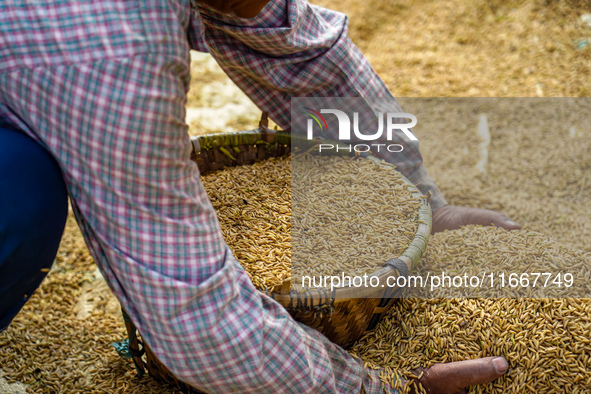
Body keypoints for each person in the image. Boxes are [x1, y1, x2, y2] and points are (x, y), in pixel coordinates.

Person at [0, 0, 519, 392]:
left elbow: (296, 45)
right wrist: (385, 387)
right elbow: (200, 318)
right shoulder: (113, 46)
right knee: (22, 194)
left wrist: (424, 200)